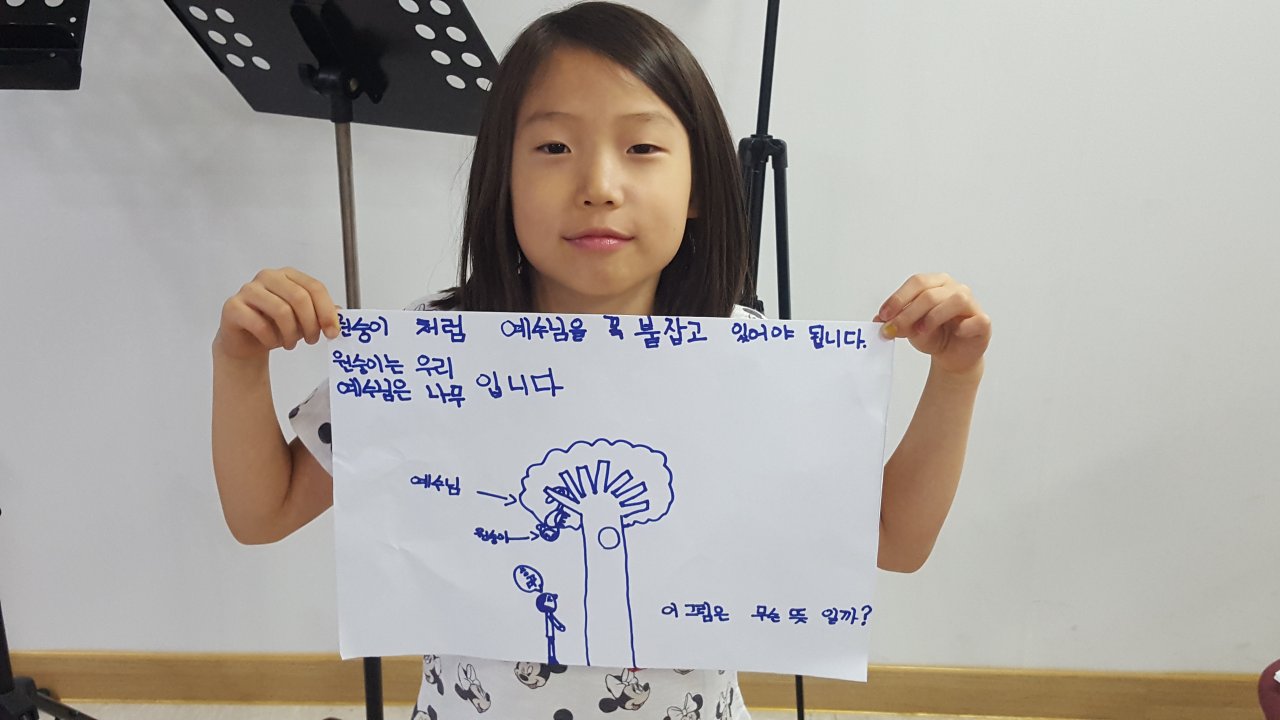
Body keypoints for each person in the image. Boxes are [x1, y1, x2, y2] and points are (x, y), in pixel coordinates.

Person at [210, 3, 992, 719]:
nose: (599, 186)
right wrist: (240, 363)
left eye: (643, 147)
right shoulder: (430, 355)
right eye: (553, 147)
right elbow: (264, 512)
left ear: (697, 186)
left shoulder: (744, 355)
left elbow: (895, 541)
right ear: (502, 179)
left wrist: (955, 379)